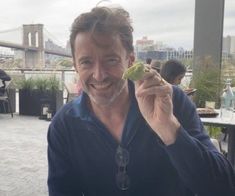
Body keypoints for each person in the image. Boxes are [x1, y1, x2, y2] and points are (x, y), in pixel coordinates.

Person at [47, 6, 235, 196]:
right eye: (86, 62)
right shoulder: (64, 125)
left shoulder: (172, 101)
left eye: (111, 60)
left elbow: (225, 187)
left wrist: (168, 128)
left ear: (130, 61)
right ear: (76, 66)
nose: (99, 74)